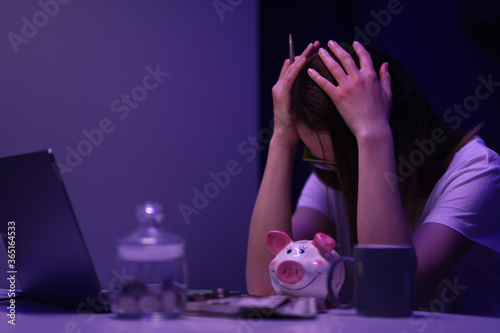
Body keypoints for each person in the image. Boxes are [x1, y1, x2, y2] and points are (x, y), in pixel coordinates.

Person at [246, 40, 500, 316]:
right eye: (324, 161)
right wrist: (282, 136)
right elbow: (266, 289)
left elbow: (388, 291)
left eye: (342, 159)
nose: (337, 171)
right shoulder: (332, 171)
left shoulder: (477, 170)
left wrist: (373, 133)